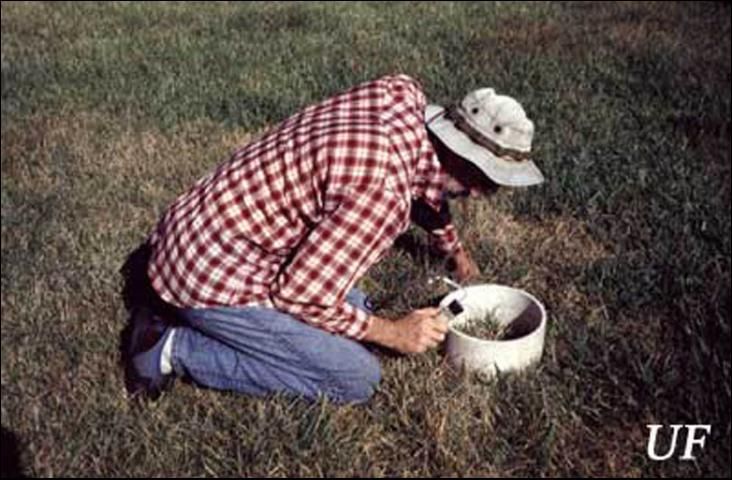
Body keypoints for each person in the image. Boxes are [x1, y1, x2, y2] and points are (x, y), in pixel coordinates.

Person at [124, 74, 543, 404]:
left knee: (353, 307)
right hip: (205, 274)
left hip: (197, 231)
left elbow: (428, 183)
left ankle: (185, 319)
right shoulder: (380, 194)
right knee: (355, 376)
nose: (486, 194)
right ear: (464, 164)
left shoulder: (399, 96)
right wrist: (392, 332)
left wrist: (455, 251)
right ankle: (169, 347)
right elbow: (301, 296)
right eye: (489, 182)